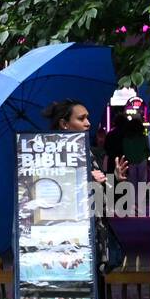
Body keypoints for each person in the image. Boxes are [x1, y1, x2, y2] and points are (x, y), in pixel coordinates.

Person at [42, 100, 128, 272]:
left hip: (96, 239)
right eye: (81, 119)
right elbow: (51, 198)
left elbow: (106, 203)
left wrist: (116, 180)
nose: (88, 123)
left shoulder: (89, 153)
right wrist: (84, 179)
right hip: (69, 242)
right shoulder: (50, 155)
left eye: (87, 118)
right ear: (64, 124)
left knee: (98, 293)